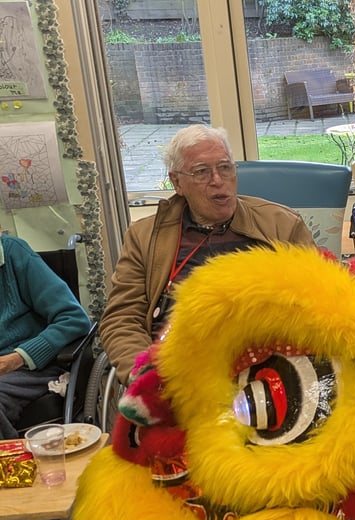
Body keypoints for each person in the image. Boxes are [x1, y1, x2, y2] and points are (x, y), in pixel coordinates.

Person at [100, 125, 317, 383]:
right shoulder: (144, 237)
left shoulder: (282, 225)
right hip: (178, 373)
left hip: (271, 368)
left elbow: (321, 300)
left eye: (225, 167)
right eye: (202, 171)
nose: (217, 180)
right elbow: (122, 318)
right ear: (177, 182)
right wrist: (146, 376)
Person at [0, 234, 91, 439]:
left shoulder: (15, 253)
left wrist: (15, 359)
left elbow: (74, 319)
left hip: (26, 368)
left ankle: (15, 467)